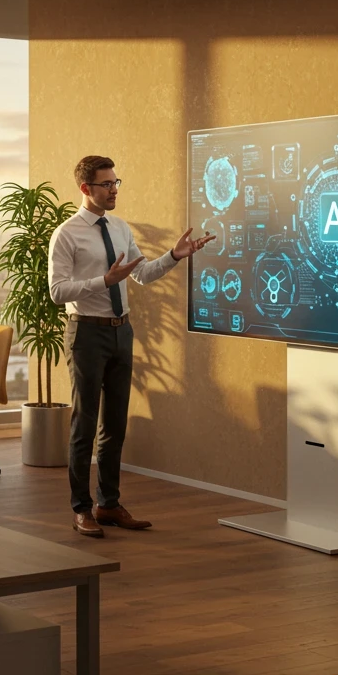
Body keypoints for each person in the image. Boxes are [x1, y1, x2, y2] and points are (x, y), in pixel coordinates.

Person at [49, 155, 214, 537]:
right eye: (106, 184)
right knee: (84, 425)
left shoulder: (120, 228)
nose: (114, 190)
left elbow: (141, 274)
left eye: (116, 182)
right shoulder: (67, 234)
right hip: (86, 333)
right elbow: (57, 292)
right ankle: (81, 509)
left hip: (122, 333)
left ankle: (108, 504)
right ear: (85, 189)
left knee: (115, 425)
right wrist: (102, 281)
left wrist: (174, 257)